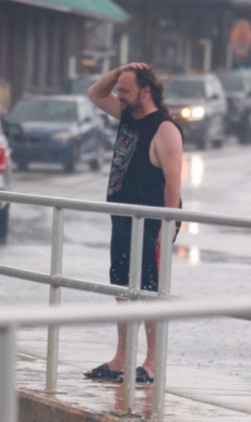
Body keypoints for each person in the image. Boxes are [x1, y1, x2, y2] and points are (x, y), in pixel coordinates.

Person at [84, 63, 183, 384]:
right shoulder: (128, 115)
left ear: (146, 92)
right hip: (124, 215)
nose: (120, 95)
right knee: (122, 285)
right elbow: (95, 93)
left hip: (153, 218)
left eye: (126, 90)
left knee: (149, 288)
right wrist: (119, 71)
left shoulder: (164, 128)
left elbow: (173, 180)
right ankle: (121, 359)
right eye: (120, 90)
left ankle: (152, 362)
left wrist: (168, 224)